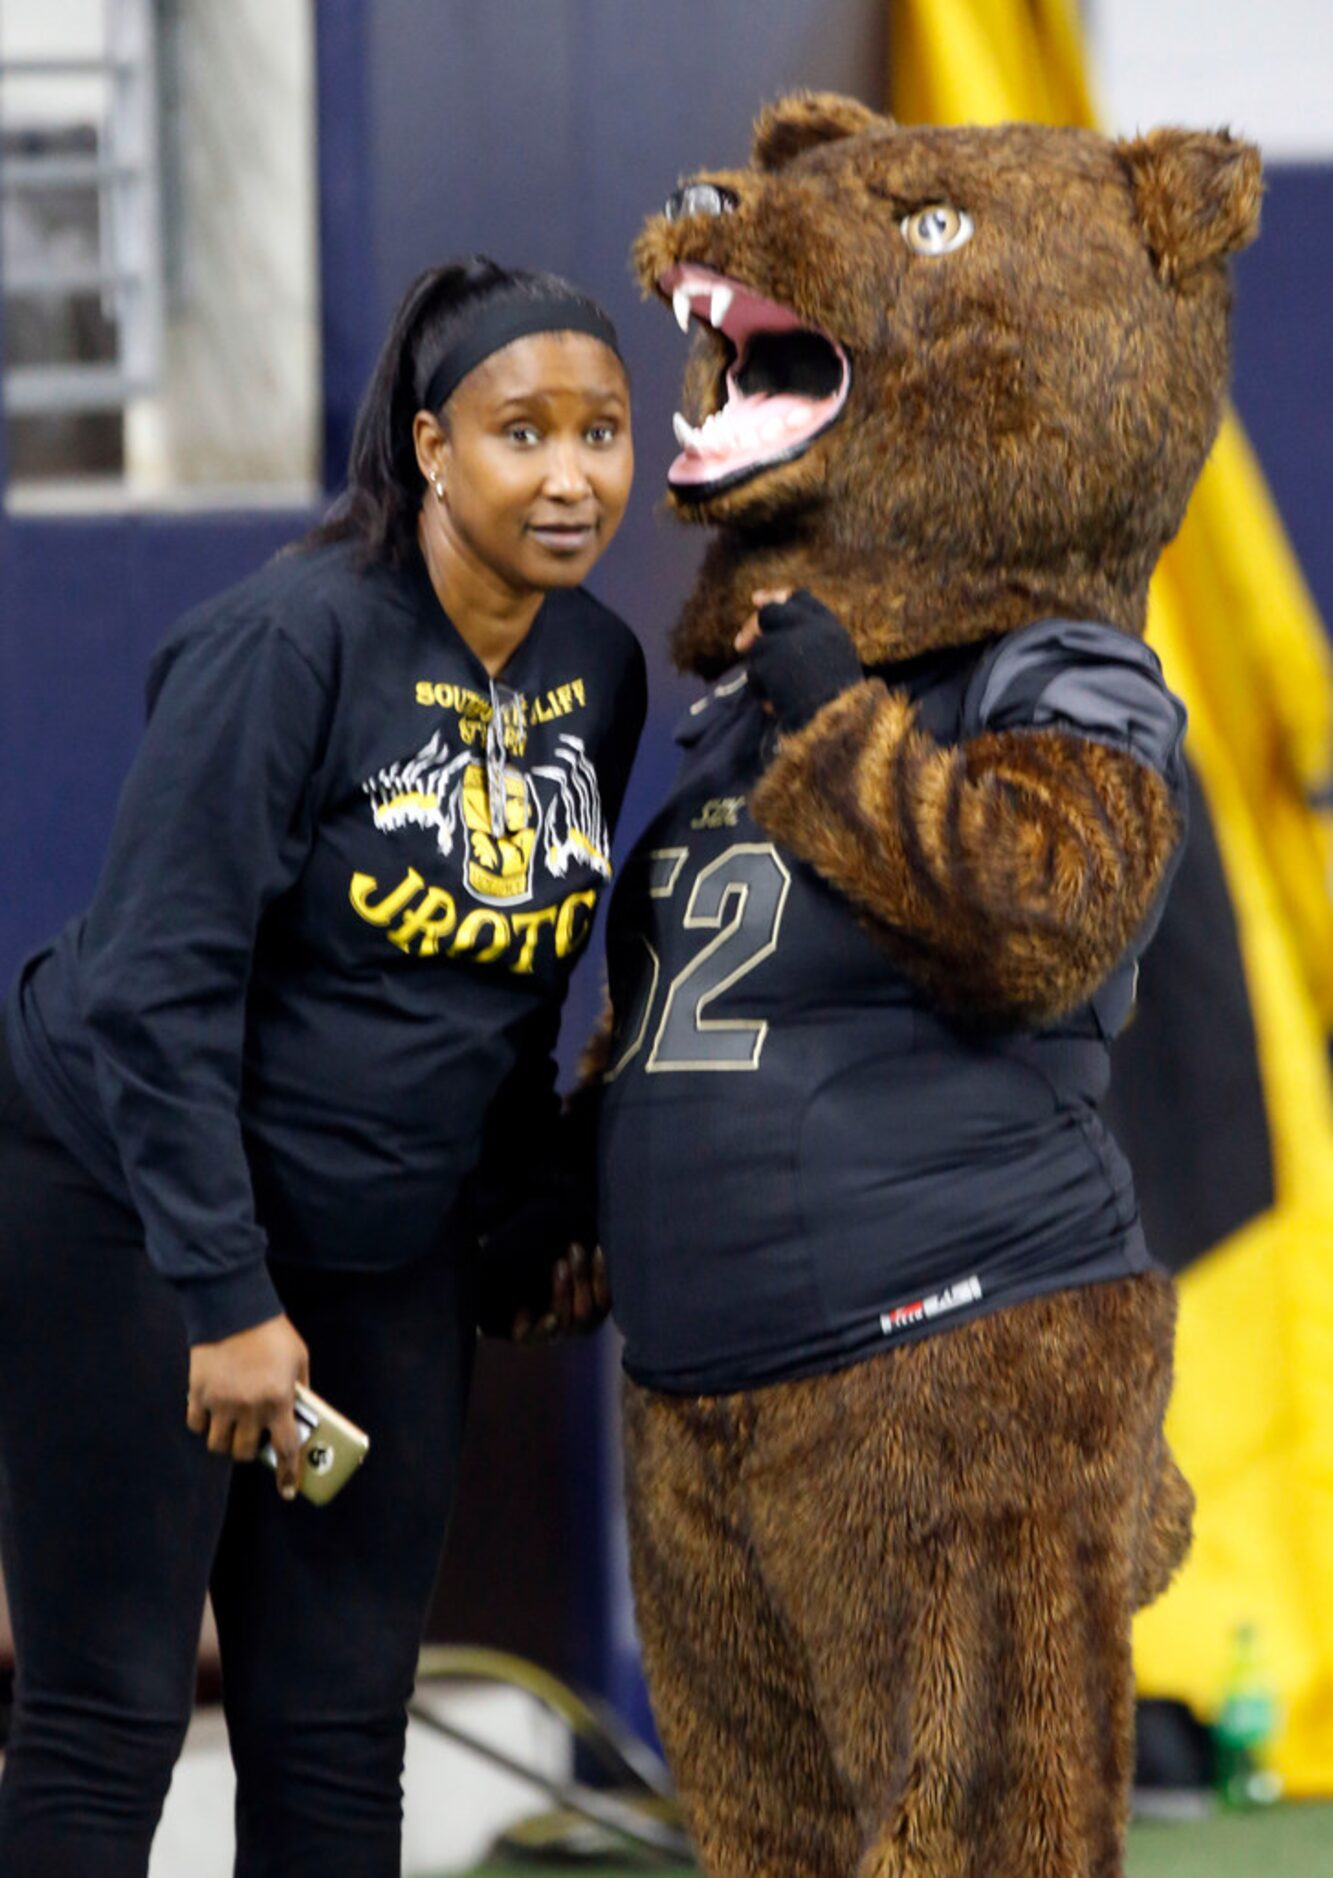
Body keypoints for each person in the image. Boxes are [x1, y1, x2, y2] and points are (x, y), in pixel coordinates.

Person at [0, 255, 643, 1878]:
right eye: (522, 432)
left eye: (604, 432)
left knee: (340, 1726)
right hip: (131, 1198)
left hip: (375, 1239)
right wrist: (220, 1294)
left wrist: (514, 1206)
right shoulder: (290, 643)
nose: (569, 475)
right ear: (433, 448)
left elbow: (514, 973)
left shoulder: (597, 674)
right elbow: (153, 985)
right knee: (108, 1710)